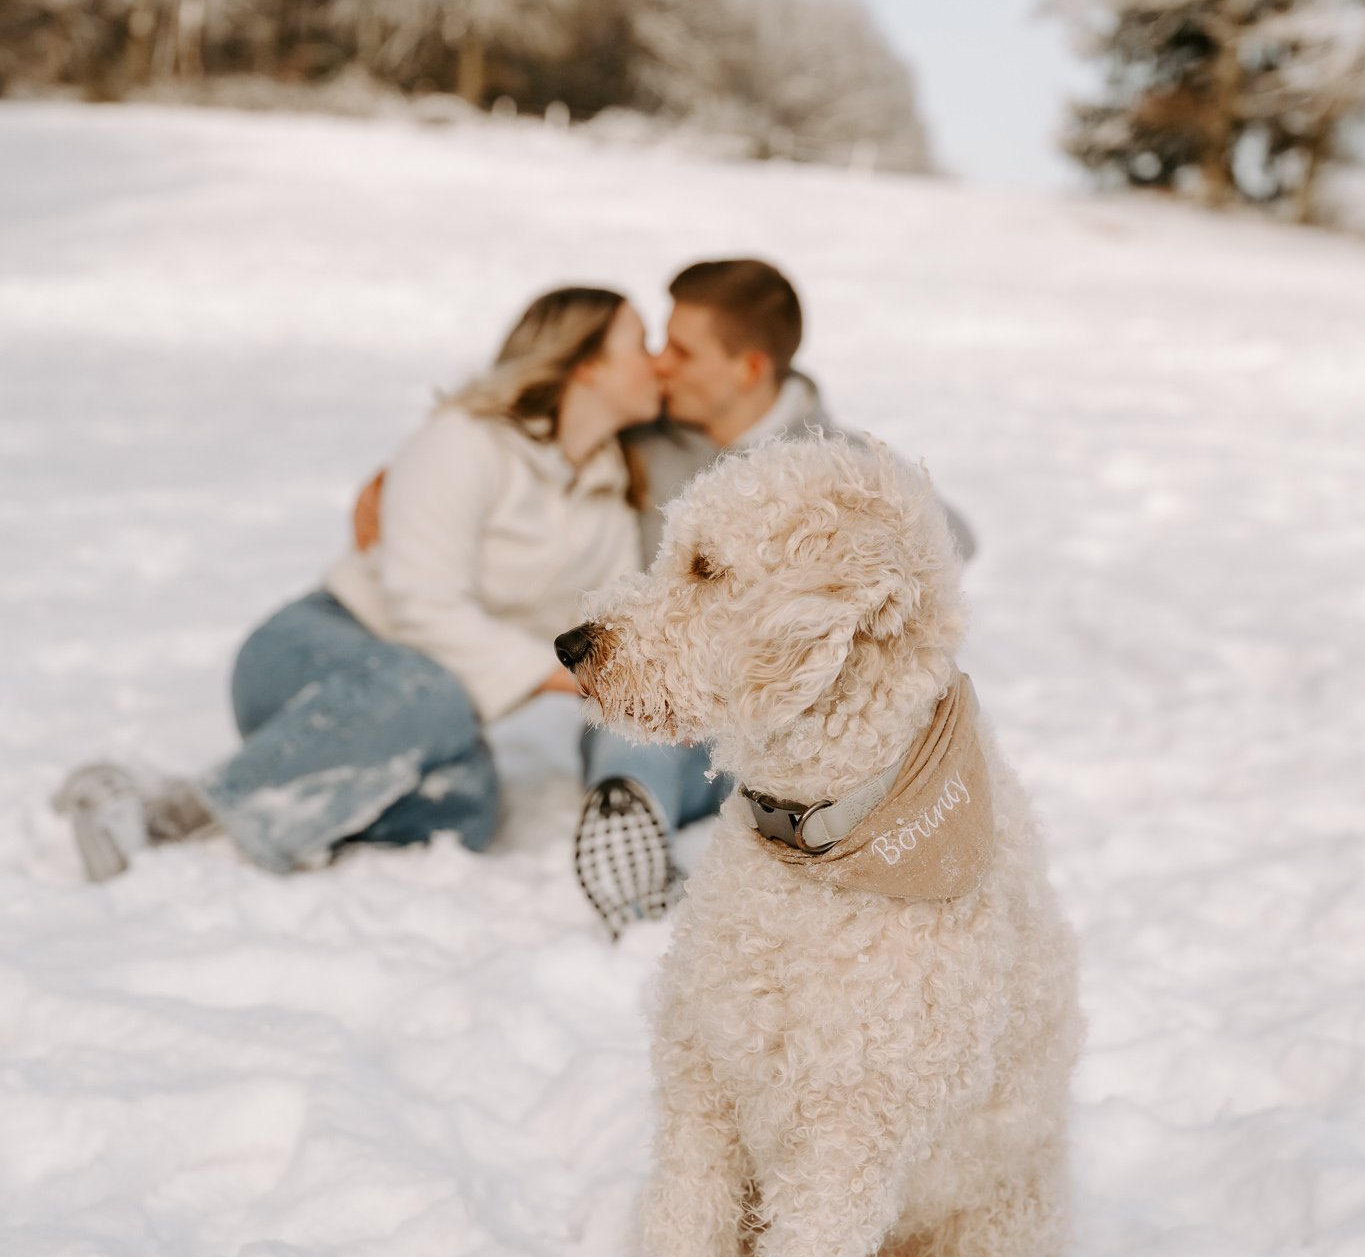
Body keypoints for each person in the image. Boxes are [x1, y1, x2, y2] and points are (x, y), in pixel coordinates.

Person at [55, 288, 662, 884]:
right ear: (587, 366)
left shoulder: (611, 492)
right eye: (640, 344)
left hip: (429, 708)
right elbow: (425, 610)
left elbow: (601, 624)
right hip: (317, 651)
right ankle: (172, 813)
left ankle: (301, 803)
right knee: (431, 692)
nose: (656, 361)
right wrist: (563, 676)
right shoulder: (466, 440)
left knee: (466, 808)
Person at [573, 258, 976, 929]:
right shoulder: (645, 444)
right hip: (671, 678)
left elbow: (944, 542)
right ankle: (628, 821)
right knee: (632, 736)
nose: (658, 365)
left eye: (680, 349)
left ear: (748, 369)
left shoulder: (840, 468)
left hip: (793, 703)